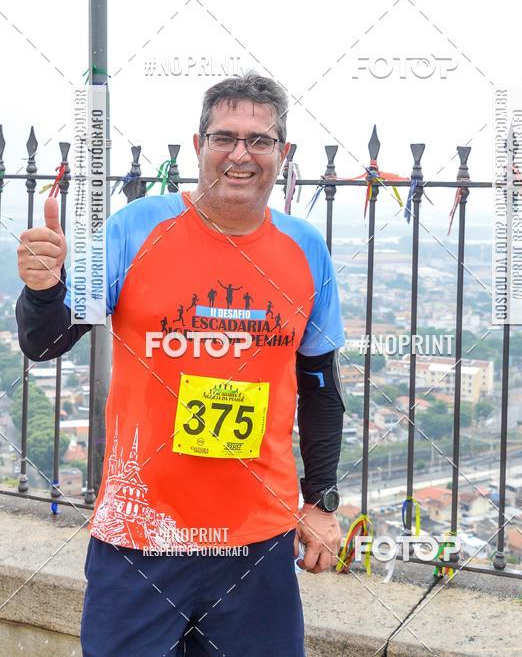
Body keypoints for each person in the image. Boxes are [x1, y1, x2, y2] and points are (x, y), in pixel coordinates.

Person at [15, 72, 346, 657]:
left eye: (259, 140)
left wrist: (320, 503)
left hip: (256, 541)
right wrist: (43, 291)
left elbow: (320, 385)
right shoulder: (134, 228)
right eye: (224, 137)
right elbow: (45, 344)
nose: (240, 154)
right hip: (141, 537)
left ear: (282, 154)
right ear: (198, 147)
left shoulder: (305, 249)